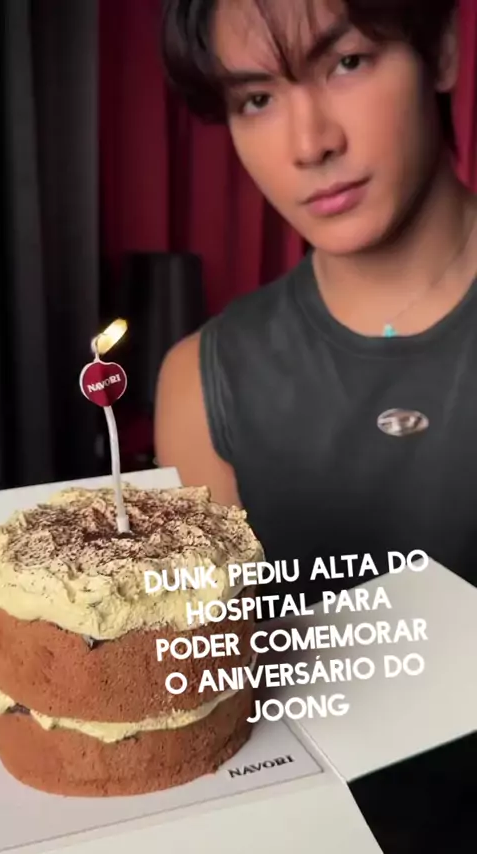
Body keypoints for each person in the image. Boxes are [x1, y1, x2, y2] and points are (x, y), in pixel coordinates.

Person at [155, 0, 477, 607]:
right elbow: (218, 658)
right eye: (257, 99)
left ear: (441, 51)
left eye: (347, 63)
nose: (310, 144)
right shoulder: (200, 386)